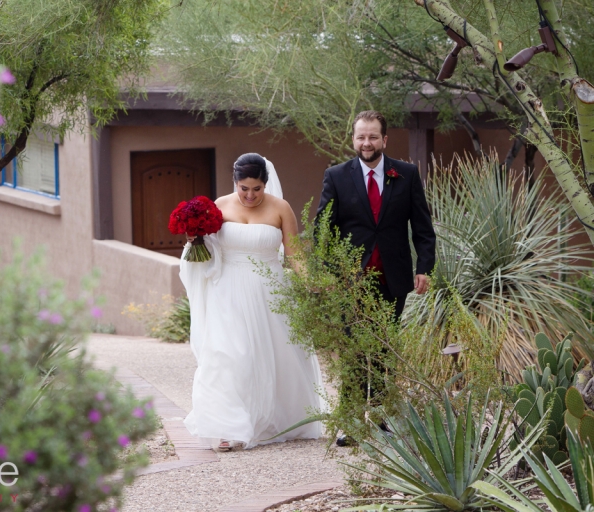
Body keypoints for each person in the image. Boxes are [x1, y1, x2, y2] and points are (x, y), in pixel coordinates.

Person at [180, 153, 324, 451]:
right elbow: (205, 248)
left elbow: (294, 253)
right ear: (235, 183)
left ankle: (272, 419)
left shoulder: (281, 208)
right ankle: (226, 426)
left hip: (269, 291)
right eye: (243, 188)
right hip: (227, 290)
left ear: (265, 184)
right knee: (226, 354)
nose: (249, 195)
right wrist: (193, 239)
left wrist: (311, 281)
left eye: (256, 189)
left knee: (269, 355)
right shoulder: (219, 206)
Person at [315, 110, 436, 445]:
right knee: (354, 349)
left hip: (393, 278)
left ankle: (381, 418)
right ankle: (351, 423)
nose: (366, 143)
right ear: (353, 139)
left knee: (383, 349)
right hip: (350, 282)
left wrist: (424, 267)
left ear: (384, 139)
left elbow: (423, 228)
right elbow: (322, 230)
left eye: (372, 137)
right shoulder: (336, 176)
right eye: (360, 137)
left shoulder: (406, 174)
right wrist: (329, 274)